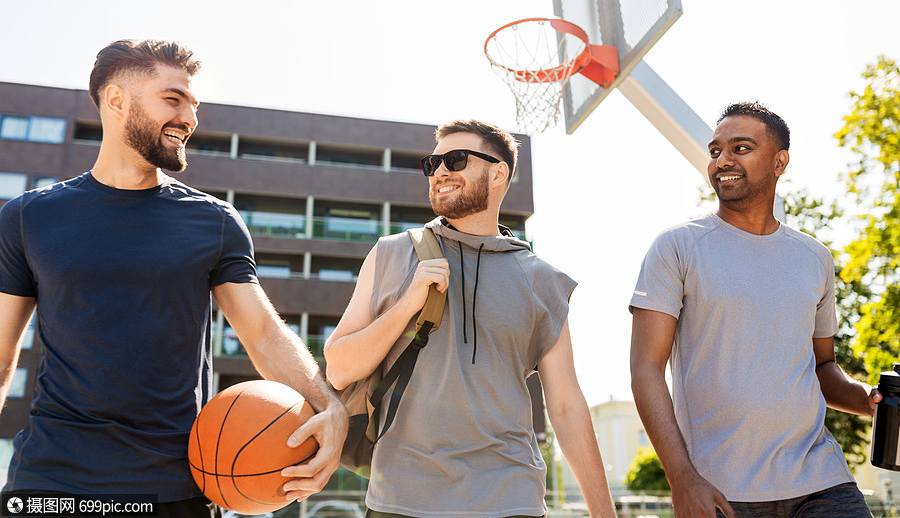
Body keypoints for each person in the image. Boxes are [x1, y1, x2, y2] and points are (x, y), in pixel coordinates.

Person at [0, 39, 348, 516]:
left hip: (173, 486)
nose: (190, 117)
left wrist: (329, 407)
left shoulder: (214, 221)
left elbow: (263, 334)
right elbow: (1, 353)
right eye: (173, 98)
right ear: (116, 99)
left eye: (193, 104)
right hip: (50, 482)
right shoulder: (28, 217)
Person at [324, 119, 617, 518]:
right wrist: (407, 305)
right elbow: (339, 371)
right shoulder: (390, 254)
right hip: (401, 500)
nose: (441, 171)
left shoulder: (543, 280)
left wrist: (605, 514)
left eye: (456, 160)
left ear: (499, 173)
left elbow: (565, 405)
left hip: (511, 501)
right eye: (433, 163)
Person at [629, 101, 882, 518]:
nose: (722, 160)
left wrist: (866, 400)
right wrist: (682, 477)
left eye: (740, 148)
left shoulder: (814, 257)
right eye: (715, 151)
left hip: (820, 480)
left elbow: (823, 368)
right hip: (721, 491)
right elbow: (646, 369)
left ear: (780, 161)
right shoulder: (677, 248)